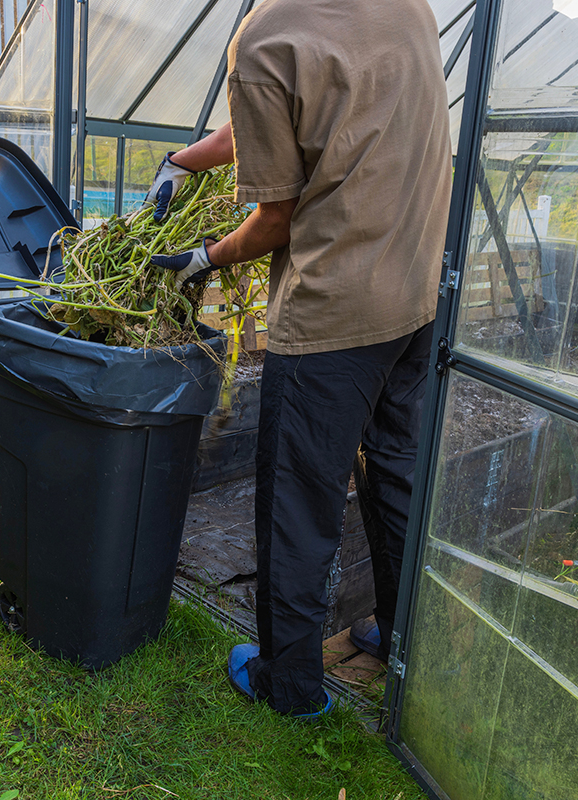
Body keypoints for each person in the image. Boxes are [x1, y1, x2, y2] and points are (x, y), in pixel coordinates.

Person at [146, 0, 453, 718]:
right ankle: (398, 638)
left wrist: (202, 258)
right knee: (395, 480)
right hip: (413, 297)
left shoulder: (265, 37)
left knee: (297, 505)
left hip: (334, 314)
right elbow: (292, 119)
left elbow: (275, 218)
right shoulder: (405, 7)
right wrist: (184, 159)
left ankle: (289, 684)